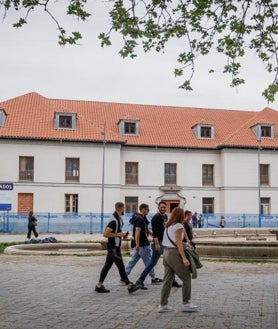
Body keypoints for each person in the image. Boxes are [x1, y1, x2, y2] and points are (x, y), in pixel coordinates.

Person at [158, 207, 198, 313]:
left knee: (167, 280)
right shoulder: (179, 225)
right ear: (181, 215)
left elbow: (172, 240)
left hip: (166, 253)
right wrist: (184, 258)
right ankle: (186, 303)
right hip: (174, 254)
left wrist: (184, 243)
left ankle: (163, 305)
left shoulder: (167, 225)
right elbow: (178, 243)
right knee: (186, 277)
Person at [95, 202, 139, 294]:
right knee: (121, 267)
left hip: (115, 246)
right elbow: (106, 234)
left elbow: (116, 231)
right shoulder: (114, 220)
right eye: (124, 208)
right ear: (121, 208)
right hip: (113, 247)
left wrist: (122, 235)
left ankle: (99, 285)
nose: (124, 210)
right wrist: (118, 234)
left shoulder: (118, 218)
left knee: (107, 266)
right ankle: (129, 285)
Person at [135, 201, 181, 289]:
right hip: (158, 243)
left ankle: (172, 280)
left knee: (169, 262)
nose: (163, 209)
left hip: (164, 243)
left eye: (164, 207)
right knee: (153, 263)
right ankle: (139, 281)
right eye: (161, 207)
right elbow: (155, 233)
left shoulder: (165, 217)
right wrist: (156, 244)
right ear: (158, 208)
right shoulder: (155, 218)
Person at [125, 203, 162, 286]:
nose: (148, 211)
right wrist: (137, 244)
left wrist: (154, 236)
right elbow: (137, 232)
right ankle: (153, 277)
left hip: (140, 245)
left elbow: (146, 230)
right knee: (149, 261)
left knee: (133, 260)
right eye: (147, 209)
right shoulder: (139, 219)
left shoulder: (143, 218)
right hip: (142, 245)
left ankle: (124, 276)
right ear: (142, 210)